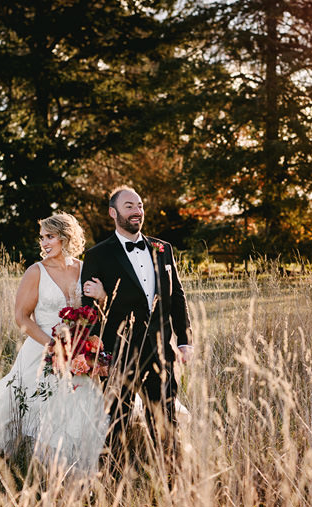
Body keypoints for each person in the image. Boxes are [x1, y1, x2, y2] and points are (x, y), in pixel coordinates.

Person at [0, 212, 108, 473]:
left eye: (50, 236)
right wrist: (54, 345)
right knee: (33, 403)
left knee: (81, 404)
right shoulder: (36, 272)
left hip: (81, 352)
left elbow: (99, 309)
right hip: (43, 349)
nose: (44, 242)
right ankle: (33, 462)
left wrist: (100, 302)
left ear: (66, 237)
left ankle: (77, 464)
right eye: (42, 237)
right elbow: (21, 317)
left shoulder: (84, 268)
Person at [80, 186, 193, 475]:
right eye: (129, 206)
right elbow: (89, 309)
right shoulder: (97, 255)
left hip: (160, 348)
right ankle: (111, 478)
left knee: (165, 414)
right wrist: (95, 354)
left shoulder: (163, 248)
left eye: (140, 205)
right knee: (117, 417)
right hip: (118, 350)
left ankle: (169, 476)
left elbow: (177, 295)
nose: (137, 211)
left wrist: (184, 340)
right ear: (113, 212)